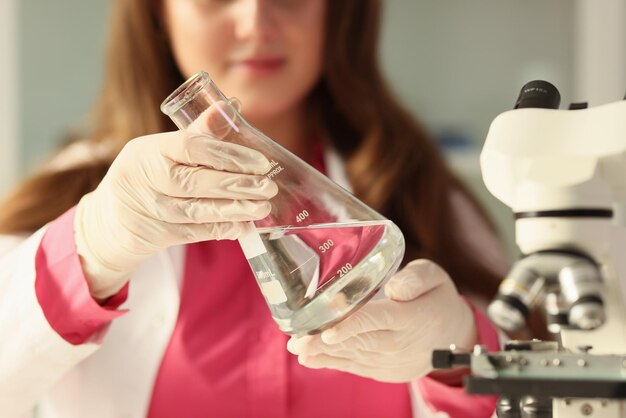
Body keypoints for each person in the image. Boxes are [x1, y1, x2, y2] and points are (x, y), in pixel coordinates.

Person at [0, 1, 510, 417]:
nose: (256, 21)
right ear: (159, 11)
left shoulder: (423, 192)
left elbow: (550, 394)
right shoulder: (76, 198)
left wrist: (460, 352)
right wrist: (91, 246)